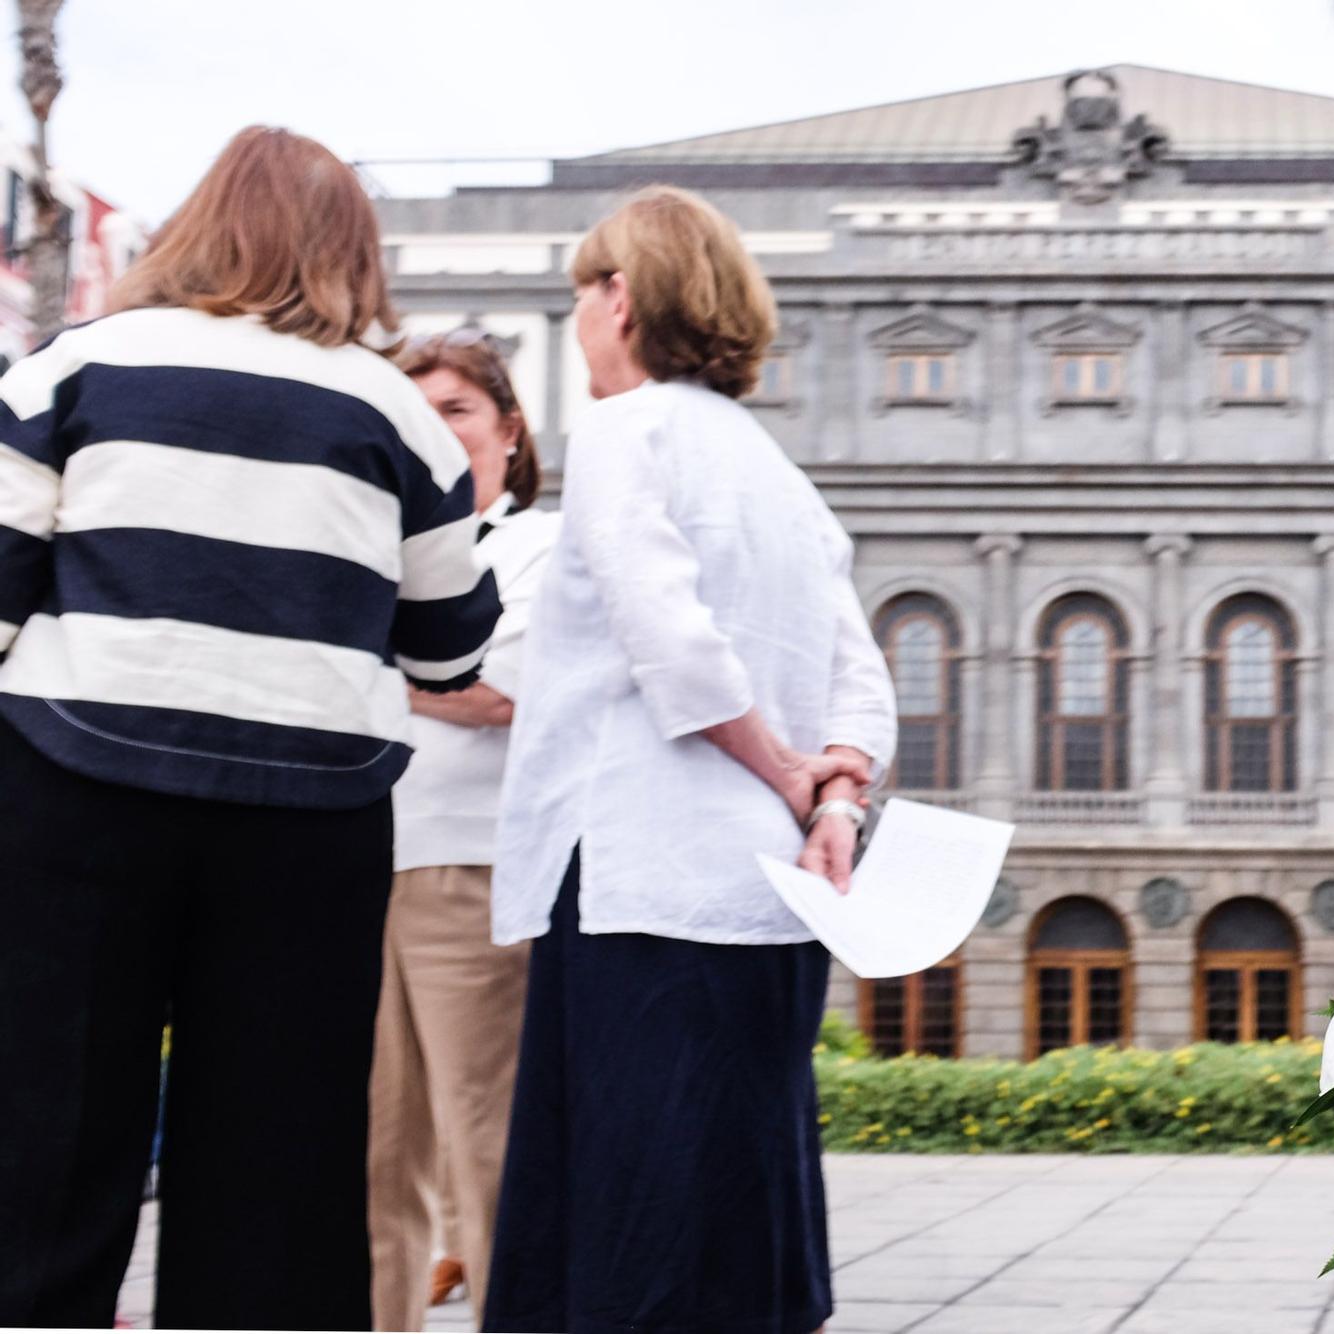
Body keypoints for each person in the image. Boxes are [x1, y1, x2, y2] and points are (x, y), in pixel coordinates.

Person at [0, 127, 501, 1331]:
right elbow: (449, 645)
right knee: (279, 1163)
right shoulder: (401, 415)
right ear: (352, 251)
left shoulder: (70, 368)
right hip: (307, 811)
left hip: (78, 780)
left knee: (46, 1137)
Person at [483, 185, 897, 1334]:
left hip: (636, 870)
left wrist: (779, 767)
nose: (576, 324)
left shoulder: (626, 431)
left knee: (622, 1193)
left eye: (580, 296)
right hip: (773, 889)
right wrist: (833, 797)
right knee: (740, 1181)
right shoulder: (779, 471)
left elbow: (662, 632)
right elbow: (860, 672)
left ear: (619, 298)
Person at [369, 329, 560, 1332]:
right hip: (355, 865)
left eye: (456, 408)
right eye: (415, 411)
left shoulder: (537, 542)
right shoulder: (369, 540)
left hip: (469, 868)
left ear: (507, 428)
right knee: (369, 1153)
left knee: (482, 1140)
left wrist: (355, 653)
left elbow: (495, 690)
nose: (435, 431)